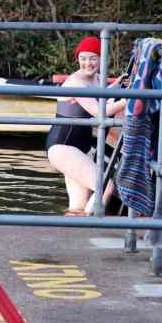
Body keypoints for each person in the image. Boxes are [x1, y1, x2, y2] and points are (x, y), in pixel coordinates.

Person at [45, 36, 127, 215]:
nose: (87, 63)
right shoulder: (76, 82)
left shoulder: (96, 79)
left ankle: (70, 236)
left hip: (79, 148)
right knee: (105, 187)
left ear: (100, 59)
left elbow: (101, 94)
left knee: (77, 207)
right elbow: (99, 112)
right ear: (77, 59)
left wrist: (117, 84)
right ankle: (90, 227)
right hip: (62, 147)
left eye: (92, 58)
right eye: (83, 58)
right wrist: (128, 101)